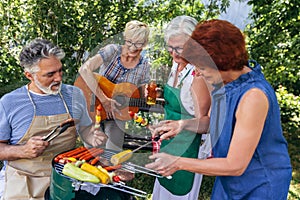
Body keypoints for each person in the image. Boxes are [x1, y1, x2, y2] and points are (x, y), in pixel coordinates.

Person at [146, 19, 292, 199]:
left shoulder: (253, 97)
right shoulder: (225, 85)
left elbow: (235, 165)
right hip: (228, 180)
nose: (197, 73)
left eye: (201, 66)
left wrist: (178, 162)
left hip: (258, 184)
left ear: (221, 62)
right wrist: (182, 125)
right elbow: (211, 125)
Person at [0, 38, 107, 199]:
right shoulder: (9, 103)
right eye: (50, 74)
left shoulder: (74, 95)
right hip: (23, 182)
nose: (58, 78)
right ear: (29, 75)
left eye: (60, 70)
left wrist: (93, 137)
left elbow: (85, 129)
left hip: (66, 179)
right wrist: (23, 150)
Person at [149, 16, 211, 199]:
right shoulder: (176, 65)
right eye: (171, 47)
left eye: (180, 48)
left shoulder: (197, 75)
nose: (174, 54)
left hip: (188, 147)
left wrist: (181, 125)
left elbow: (206, 122)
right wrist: (160, 95)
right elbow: (179, 99)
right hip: (169, 142)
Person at [79, 20, 151, 151]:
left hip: (117, 115)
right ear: (125, 38)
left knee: (113, 153)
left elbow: (140, 92)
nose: (133, 47)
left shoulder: (144, 65)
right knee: (92, 152)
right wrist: (104, 99)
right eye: (130, 42)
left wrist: (147, 94)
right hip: (94, 107)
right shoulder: (112, 51)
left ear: (145, 43)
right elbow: (84, 70)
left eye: (138, 43)